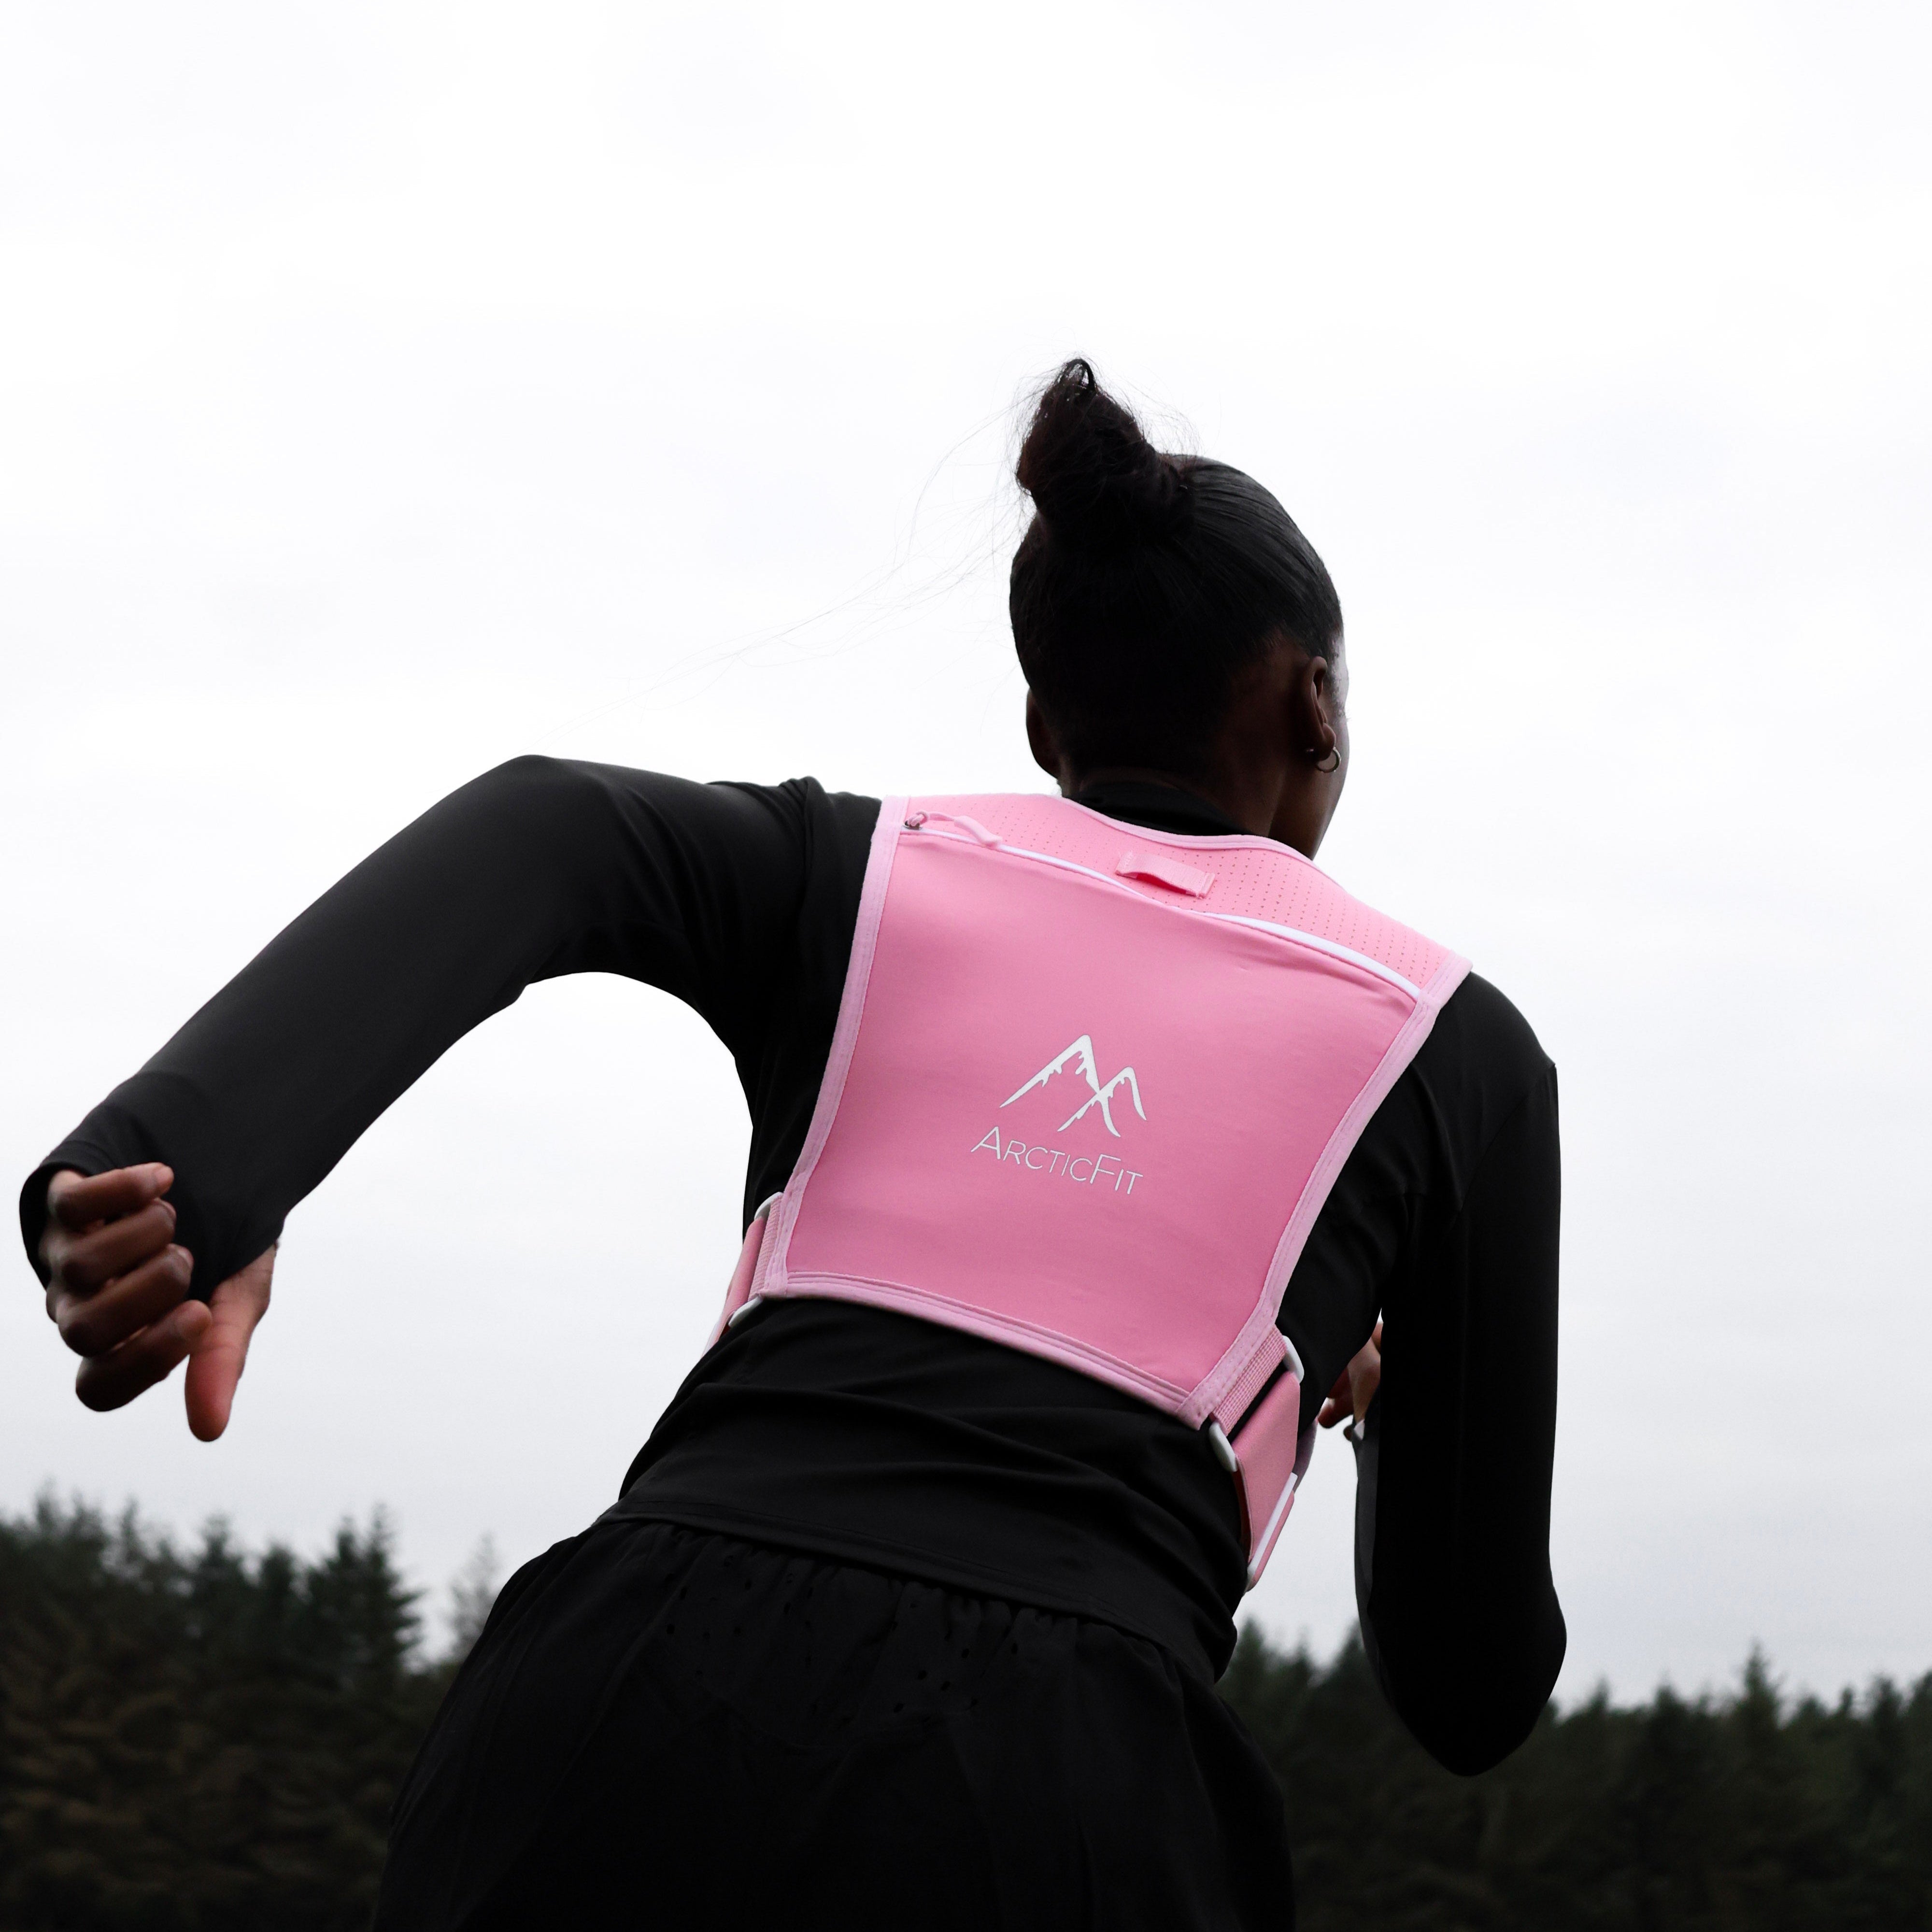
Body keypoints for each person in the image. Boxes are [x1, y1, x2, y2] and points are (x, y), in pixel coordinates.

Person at [22, 360, 1564, 1929]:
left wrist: (194, 1167)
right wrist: (1345, 1400)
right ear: (1319, 702)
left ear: (1045, 724)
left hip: (624, 1705)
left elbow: (548, 827)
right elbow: (1469, 1686)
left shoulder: (860, 873)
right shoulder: (1458, 1051)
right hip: (1067, 1796)